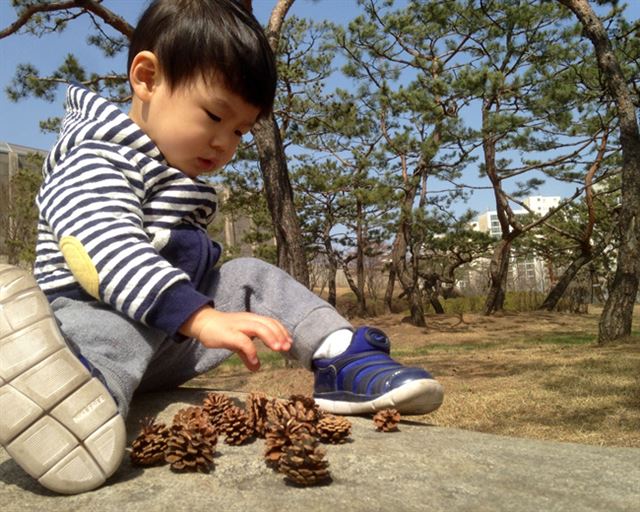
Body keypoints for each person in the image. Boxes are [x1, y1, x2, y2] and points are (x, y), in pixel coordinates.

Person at [0, 0, 443, 495]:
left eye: (239, 131)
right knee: (114, 324)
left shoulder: (169, 170)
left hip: (162, 341)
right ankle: (71, 401)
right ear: (146, 79)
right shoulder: (95, 157)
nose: (225, 144)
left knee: (250, 273)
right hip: (85, 328)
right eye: (214, 115)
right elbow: (102, 248)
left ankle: (341, 358)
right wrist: (200, 317)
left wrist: (199, 314)